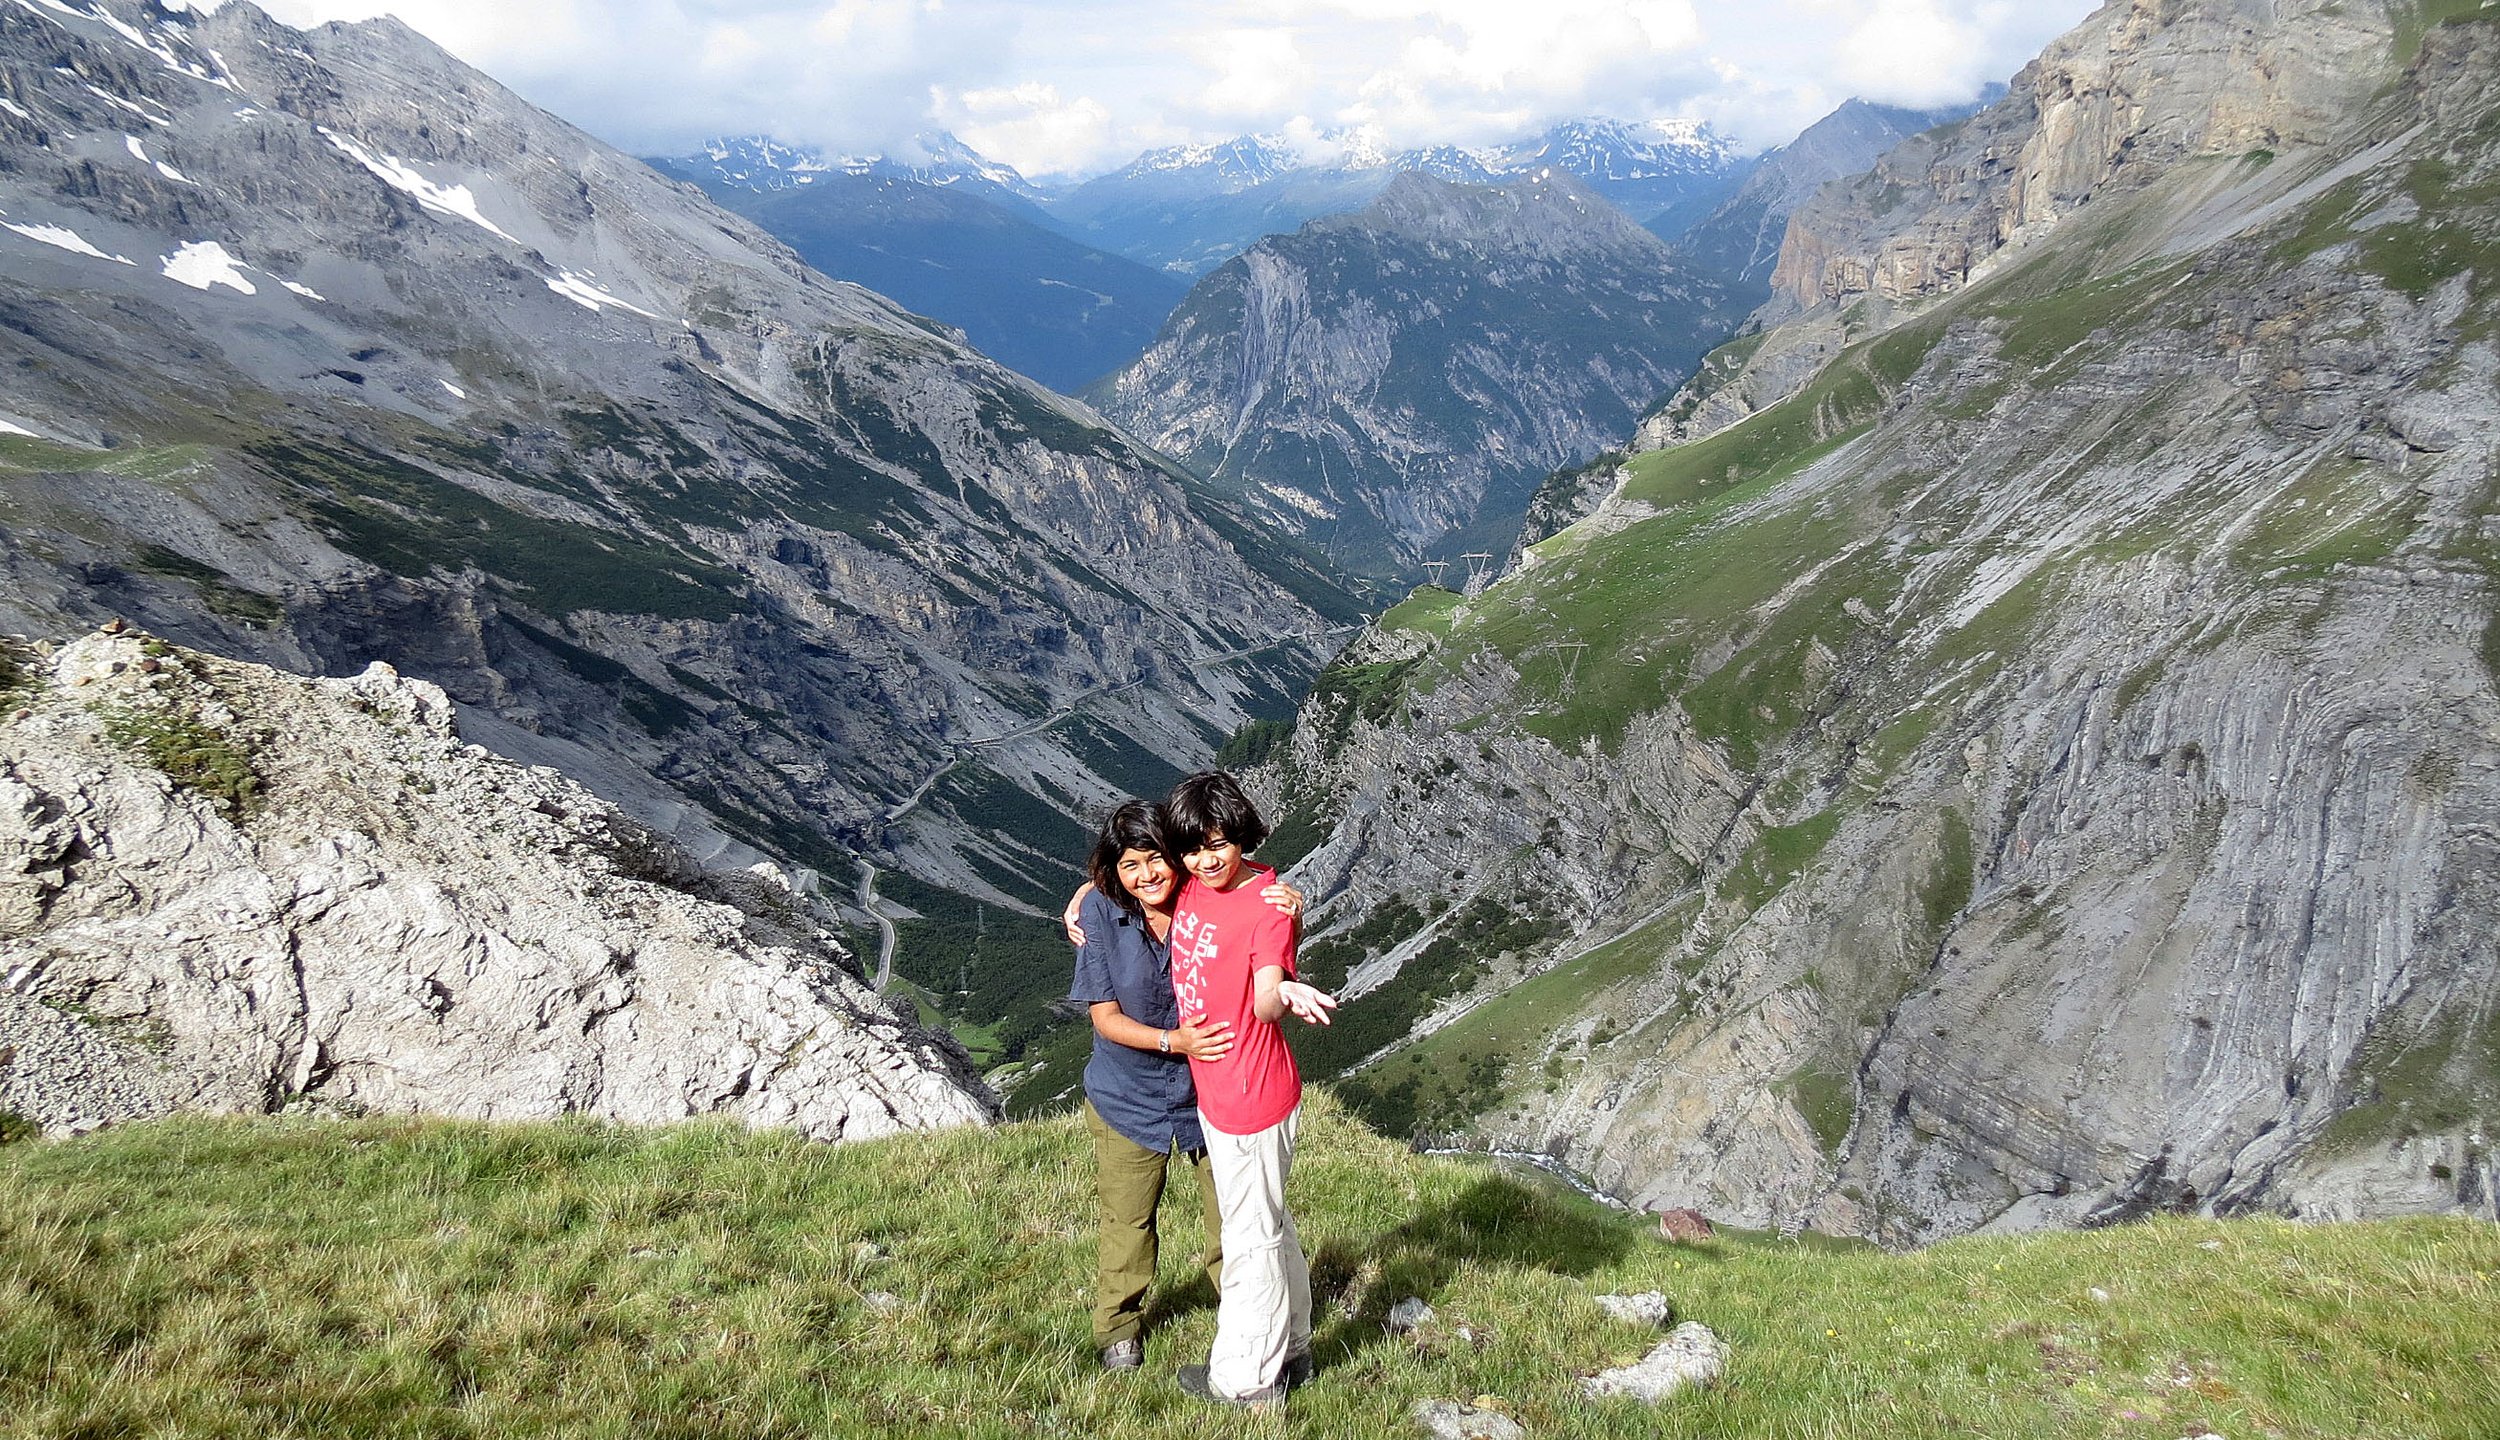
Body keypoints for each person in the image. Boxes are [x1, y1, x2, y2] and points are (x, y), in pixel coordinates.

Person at [1065, 799, 1302, 1372]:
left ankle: (1248, 1323)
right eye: (1130, 866)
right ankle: (1118, 1328)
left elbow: (1239, 873)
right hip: (1128, 1094)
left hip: (1209, 1094)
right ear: (1113, 872)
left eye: (1156, 859)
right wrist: (1176, 1041)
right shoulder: (1100, 911)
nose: (1147, 875)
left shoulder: (1202, 896)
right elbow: (1105, 1018)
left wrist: (1289, 900)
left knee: (1233, 1222)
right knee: (1128, 1220)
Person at [1160, 769, 1337, 1410]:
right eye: (1193, 849)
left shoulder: (1267, 905)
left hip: (1251, 1097)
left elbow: (1263, 998)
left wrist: (1284, 989)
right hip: (1220, 1090)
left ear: (1241, 837)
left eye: (1219, 845)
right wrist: (1080, 900)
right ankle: (1295, 1346)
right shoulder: (1194, 882)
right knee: (1269, 1222)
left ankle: (1245, 1383)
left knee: (1249, 1240)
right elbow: (1133, 869)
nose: (1206, 860)